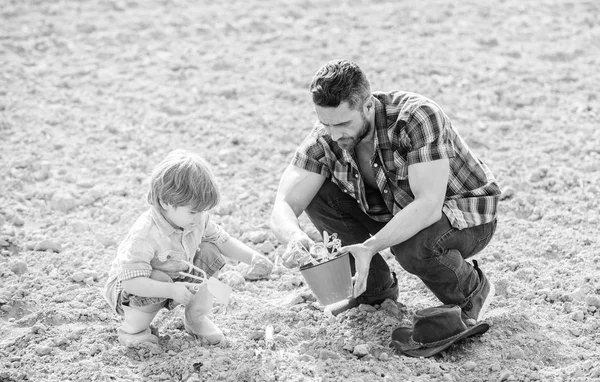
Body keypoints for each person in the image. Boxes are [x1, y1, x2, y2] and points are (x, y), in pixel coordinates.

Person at [270, 59, 500, 323]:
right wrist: (294, 236)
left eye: (343, 124)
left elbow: (428, 205)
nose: (334, 135)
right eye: (326, 124)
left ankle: (471, 292)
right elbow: (283, 203)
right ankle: (372, 291)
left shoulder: (416, 116)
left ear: (368, 105)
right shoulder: (326, 137)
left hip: (465, 215)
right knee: (317, 192)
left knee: (412, 246)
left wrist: (370, 246)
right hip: (397, 212)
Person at [105, 149, 273, 348]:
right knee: (159, 278)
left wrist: (253, 258)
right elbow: (132, 282)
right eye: (193, 211)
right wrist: (170, 289)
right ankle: (133, 330)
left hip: (175, 277)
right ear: (165, 202)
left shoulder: (196, 220)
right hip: (134, 289)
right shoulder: (146, 234)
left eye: (202, 211)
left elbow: (223, 241)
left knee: (209, 251)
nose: (199, 217)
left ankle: (196, 318)